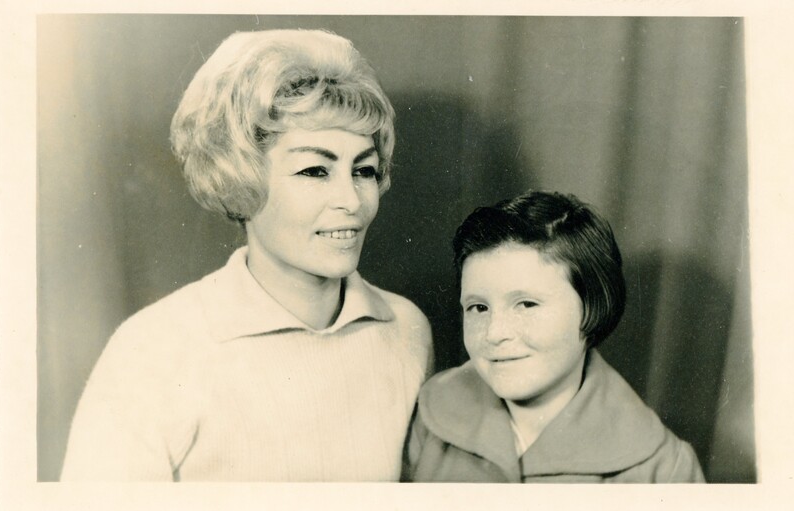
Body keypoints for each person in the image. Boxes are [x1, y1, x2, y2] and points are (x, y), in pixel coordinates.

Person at [61, 29, 433, 481]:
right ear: (241, 178)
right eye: (315, 170)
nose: (351, 201)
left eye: (364, 170)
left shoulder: (405, 330)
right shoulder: (152, 349)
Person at [402, 191, 704, 483]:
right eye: (479, 307)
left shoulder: (662, 469)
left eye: (526, 304)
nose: (494, 333)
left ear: (591, 307)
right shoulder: (429, 420)